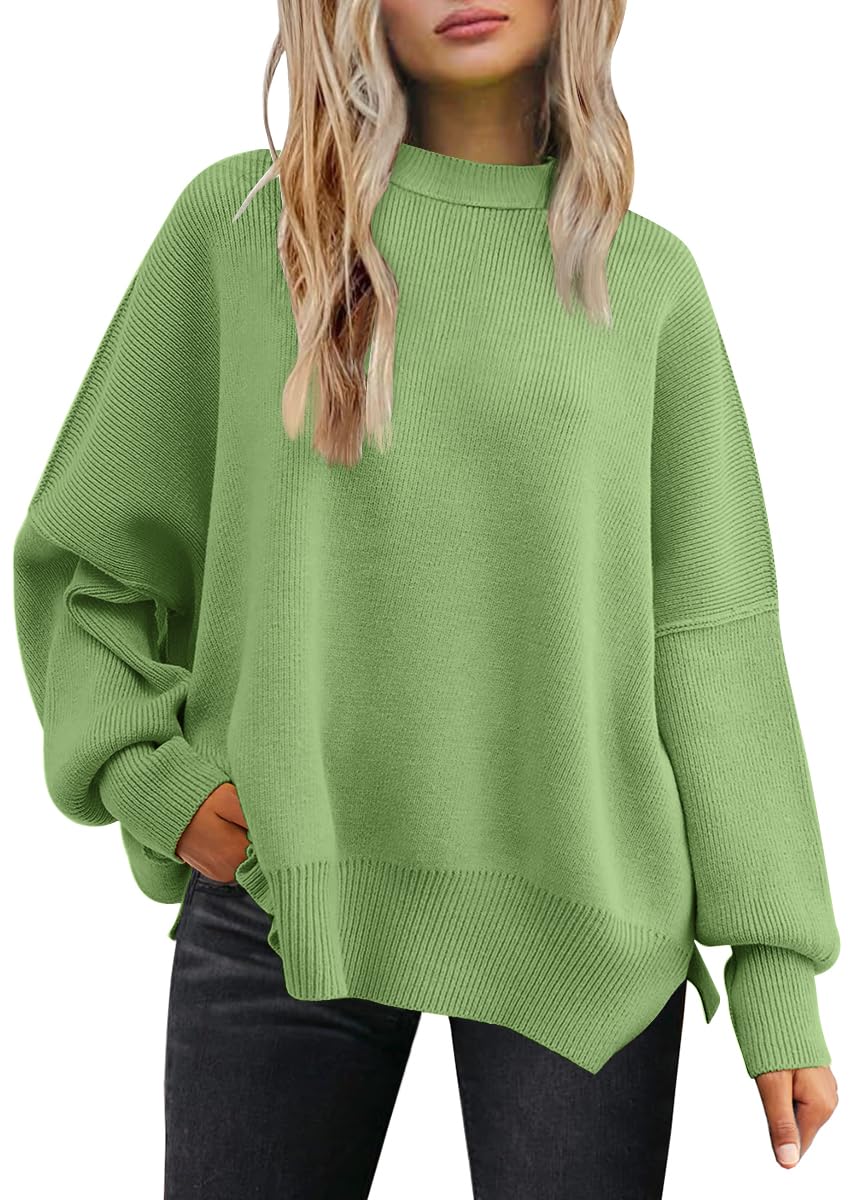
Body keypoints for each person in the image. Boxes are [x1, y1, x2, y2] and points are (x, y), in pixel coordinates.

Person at [12, 2, 840, 1197]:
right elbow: (89, 560)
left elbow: (710, 635)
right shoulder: (246, 231)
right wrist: (153, 779)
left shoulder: (646, 282)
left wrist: (774, 966)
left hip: (587, 922)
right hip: (283, 894)